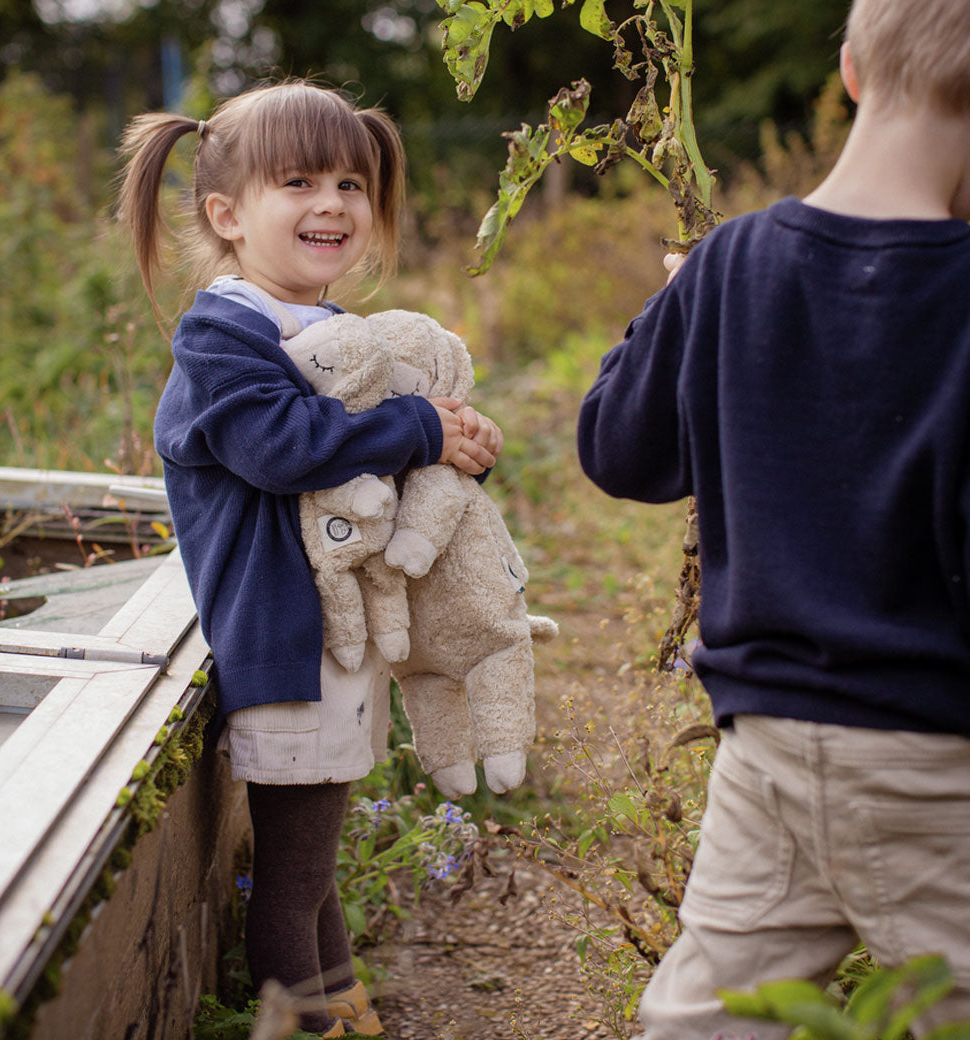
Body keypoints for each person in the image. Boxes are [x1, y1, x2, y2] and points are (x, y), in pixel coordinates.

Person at [576, 0, 970, 1035]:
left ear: (847, 70)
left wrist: (677, 310)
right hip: (934, 762)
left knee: (708, 1017)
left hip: (768, 746)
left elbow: (617, 450)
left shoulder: (728, 264)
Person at [117, 79, 502, 1038]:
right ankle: (303, 1020)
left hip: (330, 637)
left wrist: (451, 441)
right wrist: (415, 425)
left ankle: (338, 998)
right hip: (282, 639)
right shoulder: (223, 336)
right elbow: (284, 447)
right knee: (292, 880)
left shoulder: (325, 331)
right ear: (227, 215)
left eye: (351, 183)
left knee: (314, 861)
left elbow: (371, 448)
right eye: (298, 181)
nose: (331, 202)